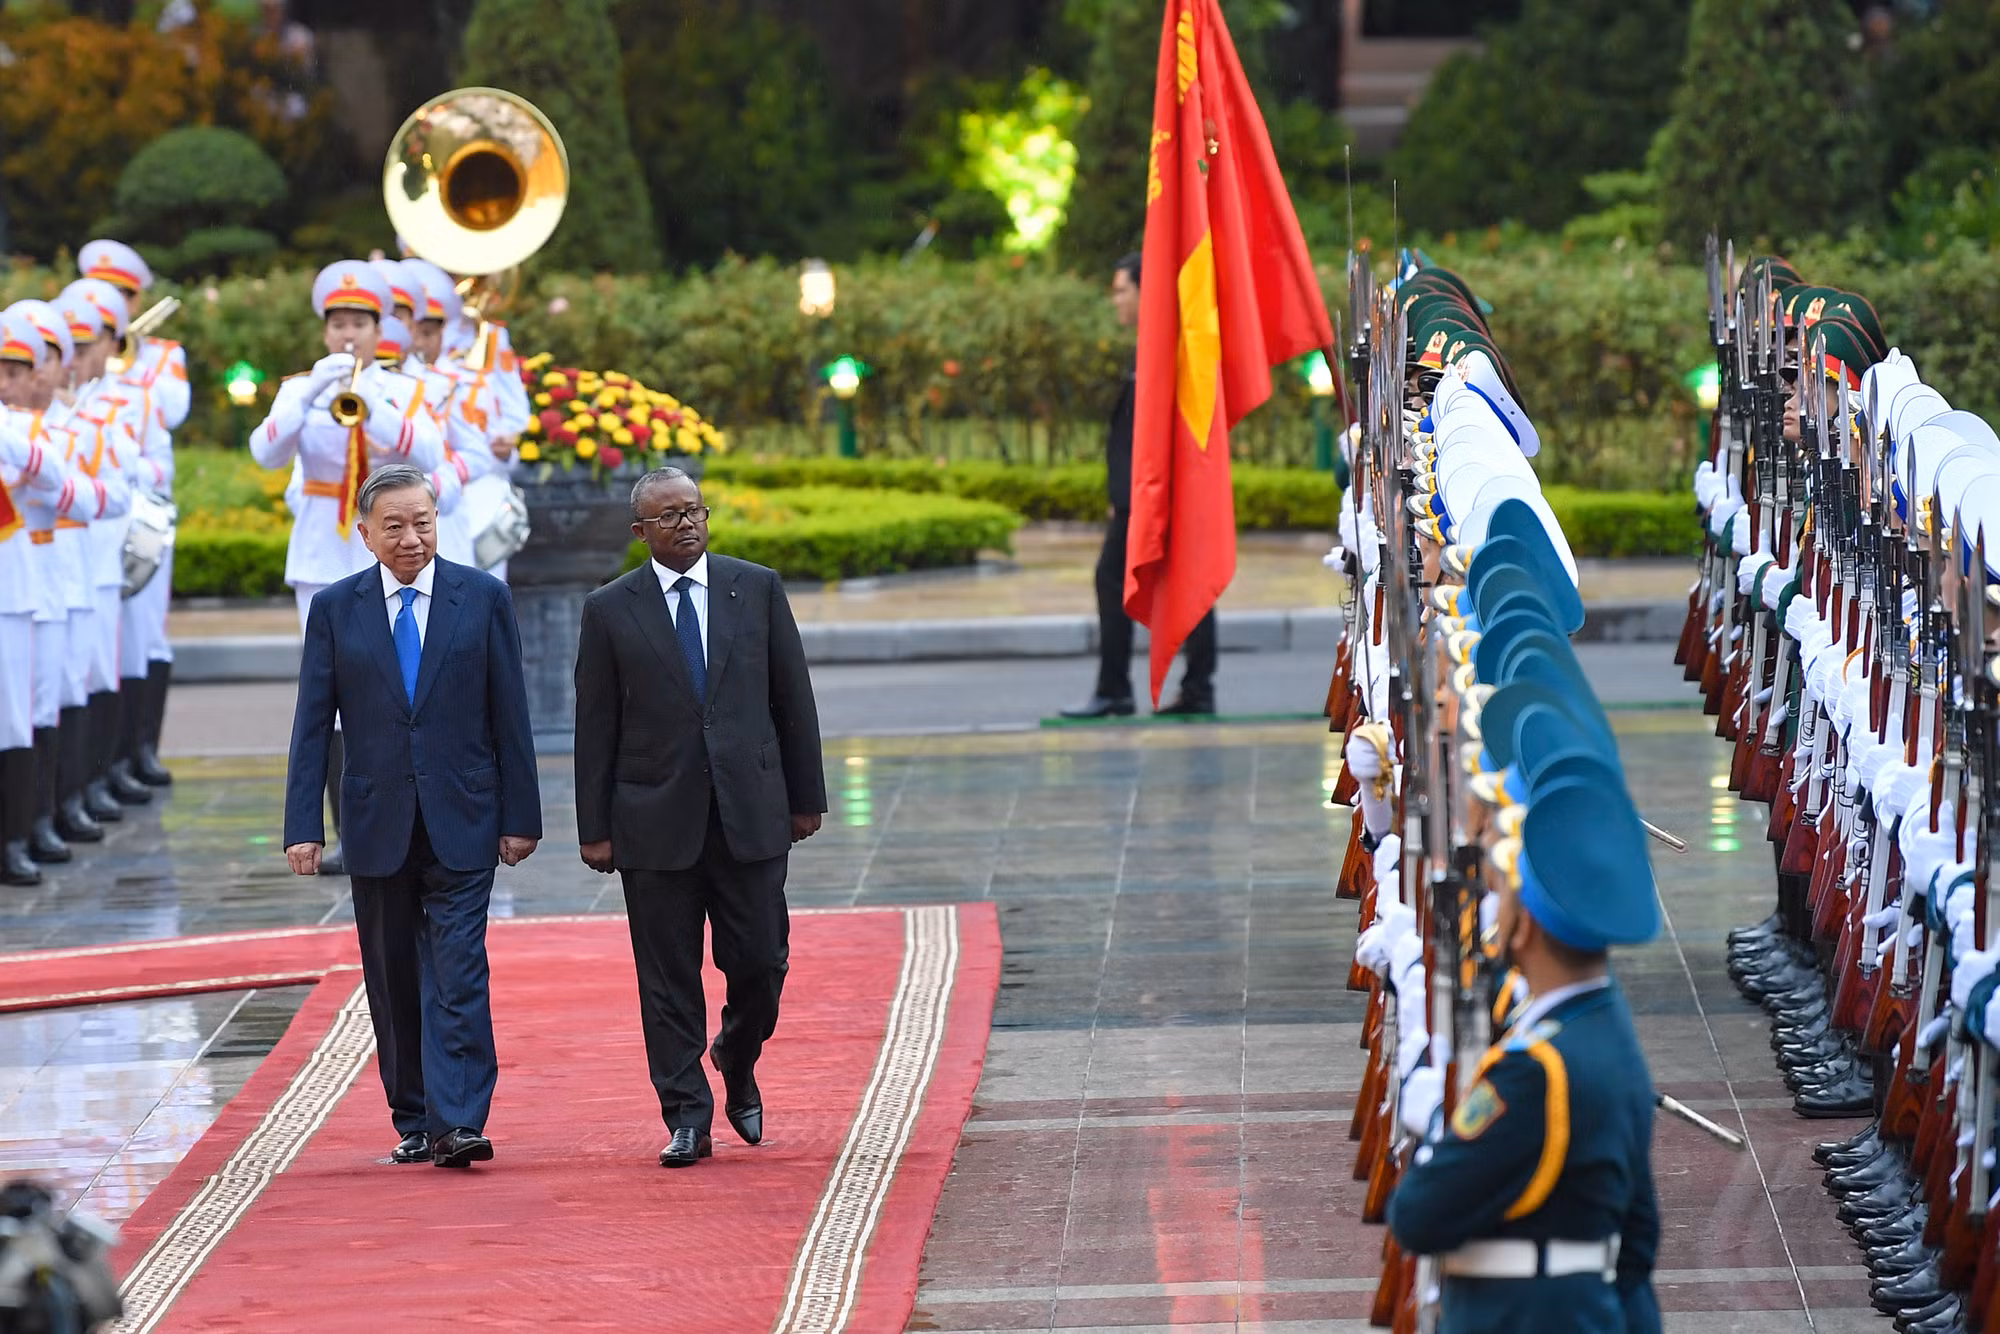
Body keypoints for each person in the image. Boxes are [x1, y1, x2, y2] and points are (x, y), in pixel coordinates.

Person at [281, 463, 541, 1169]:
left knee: (459, 968)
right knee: (394, 976)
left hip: (465, 814)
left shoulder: (481, 597)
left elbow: (510, 714)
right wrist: (304, 823)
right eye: (393, 526)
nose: (410, 538)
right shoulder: (337, 608)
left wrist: (523, 816)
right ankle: (417, 1117)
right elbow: (313, 724)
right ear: (364, 534)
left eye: (421, 522)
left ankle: (460, 1120)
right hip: (375, 820)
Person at [573, 467, 826, 1168]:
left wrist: (806, 798)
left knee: (761, 960)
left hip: (750, 813)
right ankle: (687, 1112)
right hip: (653, 820)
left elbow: (791, 697)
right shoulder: (610, 609)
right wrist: (594, 826)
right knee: (667, 976)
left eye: (694, 512)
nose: (685, 524)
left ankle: (736, 1052)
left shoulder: (758, 588)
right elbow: (594, 725)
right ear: (640, 532)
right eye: (668, 516)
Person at [1386, 778, 1661, 1334]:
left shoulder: (1537, 1069)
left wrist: (1439, 1123)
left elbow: (1418, 1215)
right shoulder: (1606, 1026)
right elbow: (1638, 1237)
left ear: (1527, 924)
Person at [252, 260, 445, 875]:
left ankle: (414, 814)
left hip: (390, 549)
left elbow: (429, 453)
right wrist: (313, 391)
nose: (347, 335)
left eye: (359, 323)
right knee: (330, 692)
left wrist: (370, 406)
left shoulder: (400, 389)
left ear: (377, 326)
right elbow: (265, 449)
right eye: (337, 323)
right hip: (321, 549)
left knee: (401, 679)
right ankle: (345, 830)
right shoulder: (299, 388)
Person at [1063, 251, 1217, 719]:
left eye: (1121, 291)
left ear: (1144, 292)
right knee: (1180, 583)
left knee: (1123, 579)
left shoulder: (1165, 350)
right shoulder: (1152, 348)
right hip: (1142, 495)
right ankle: (1191, 688)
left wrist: (1137, 496)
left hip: (1156, 496)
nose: (1115, 301)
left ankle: (1121, 690)